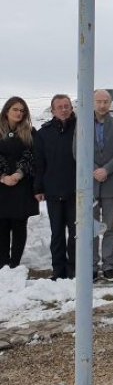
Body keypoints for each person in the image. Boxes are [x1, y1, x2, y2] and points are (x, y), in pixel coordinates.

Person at [34, 95, 77, 280]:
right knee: (57, 233)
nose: (64, 109)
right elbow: (39, 163)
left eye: (67, 106)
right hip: (52, 190)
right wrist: (38, 188)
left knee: (75, 233)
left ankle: (74, 269)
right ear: (52, 110)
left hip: (76, 191)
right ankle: (58, 270)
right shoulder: (43, 133)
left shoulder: (79, 129)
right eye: (59, 107)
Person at [88, 89, 113, 280]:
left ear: (110, 104)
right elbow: (77, 150)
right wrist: (95, 169)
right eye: (99, 101)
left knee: (110, 226)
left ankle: (109, 265)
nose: (102, 105)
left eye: (106, 102)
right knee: (92, 226)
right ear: (93, 102)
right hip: (90, 184)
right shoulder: (83, 124)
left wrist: (106, 170)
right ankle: (91, 265)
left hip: (111, 182)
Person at [0, 98, 38, 269]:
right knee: (2, 225)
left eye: (22, 111)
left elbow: (31, 156)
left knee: (19, 225)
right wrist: (3, 176)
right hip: (1, 185)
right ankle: (2, 263)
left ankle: (15, 264)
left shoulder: (30, 133)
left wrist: (19, 173)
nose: (19, 113)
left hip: (21, 186)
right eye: (15, 109)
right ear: (7, 111)